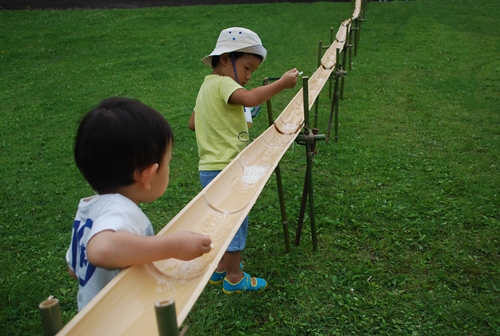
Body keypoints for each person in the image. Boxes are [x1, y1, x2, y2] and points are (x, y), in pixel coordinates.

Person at [67, 97, 212, 310]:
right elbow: (101, 250)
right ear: (148, 175)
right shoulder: (120, 210)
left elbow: (74, 269)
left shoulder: (89, 208)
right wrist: (174, 246)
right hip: (118, 322)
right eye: (168, 162)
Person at [188, 27, 298, 294]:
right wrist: (281, 84)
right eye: (247, 68)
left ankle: (219, 269)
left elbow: (193, 123)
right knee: (235, 221)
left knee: (220, 220)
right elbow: (247, 98)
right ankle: (235, 277)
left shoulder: (207, 86)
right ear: (225, 59)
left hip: (209, 168)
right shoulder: (226, 84)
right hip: (227, 168)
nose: (249, 77)